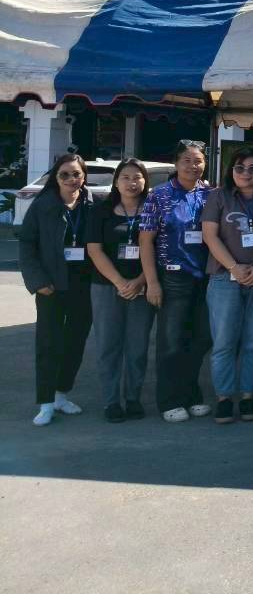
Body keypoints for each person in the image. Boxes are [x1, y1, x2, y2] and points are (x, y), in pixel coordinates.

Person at [19, 153, 95, 426]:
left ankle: (62, 394)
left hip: (83, 285)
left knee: (76, 341)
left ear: (83, 176)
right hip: (51, 285)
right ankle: (46, 403)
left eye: (76, 174)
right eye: (65, 174)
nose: (71, 179)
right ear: (56, 177)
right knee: (48, 343)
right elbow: (27, 245)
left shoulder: (91, 204)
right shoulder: (43, 205)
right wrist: (37, 281)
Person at [139, 141, 213, 423]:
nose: (193, 166)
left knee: (201, 338)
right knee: (171, 342)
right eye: (187, 161)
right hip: (173, 277)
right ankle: (169, 400)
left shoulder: (211, 194)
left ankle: (191, 394)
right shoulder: (159, 195)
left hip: (206, 277)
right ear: (176, 163)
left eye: (198, 161)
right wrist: (152, 282)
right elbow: (145, 240)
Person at [201, 147, 253, 425]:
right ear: (231, 170)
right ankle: (224, 398)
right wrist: (234, 267)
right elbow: (210, 236)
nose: (246, 173)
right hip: (224, 278)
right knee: (224, 343)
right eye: (240, 168)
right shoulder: (218, 196)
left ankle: (247, 397)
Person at [86, 158, 154, 422]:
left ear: (145, 181)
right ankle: (111, 401)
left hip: (142, 286)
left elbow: (159, 251)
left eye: (137, 177)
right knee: (109, 346)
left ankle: (133, 397)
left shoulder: (153, 210)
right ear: (116, 182)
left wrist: (139, 281)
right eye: (125, 177)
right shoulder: (100, 211)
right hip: (106, 287)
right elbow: (95, 250)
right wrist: (119, 282)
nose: (131, 182)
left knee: (138, 346)